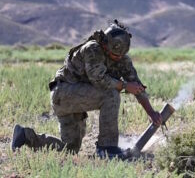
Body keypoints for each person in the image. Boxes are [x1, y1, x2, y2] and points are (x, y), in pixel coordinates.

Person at [11, 20, 162, 159]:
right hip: (64, 94)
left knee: (70, 149)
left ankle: (26, 136)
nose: (117, 58)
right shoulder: (92, 49)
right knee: (111, 94)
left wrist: (151, 113)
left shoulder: (122, 58)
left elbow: (136, 86)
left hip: (76, 100)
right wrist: (124, 86)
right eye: (114, 55)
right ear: (105, 44)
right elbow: (99, 79)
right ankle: (107, 148)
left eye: (120, 55)